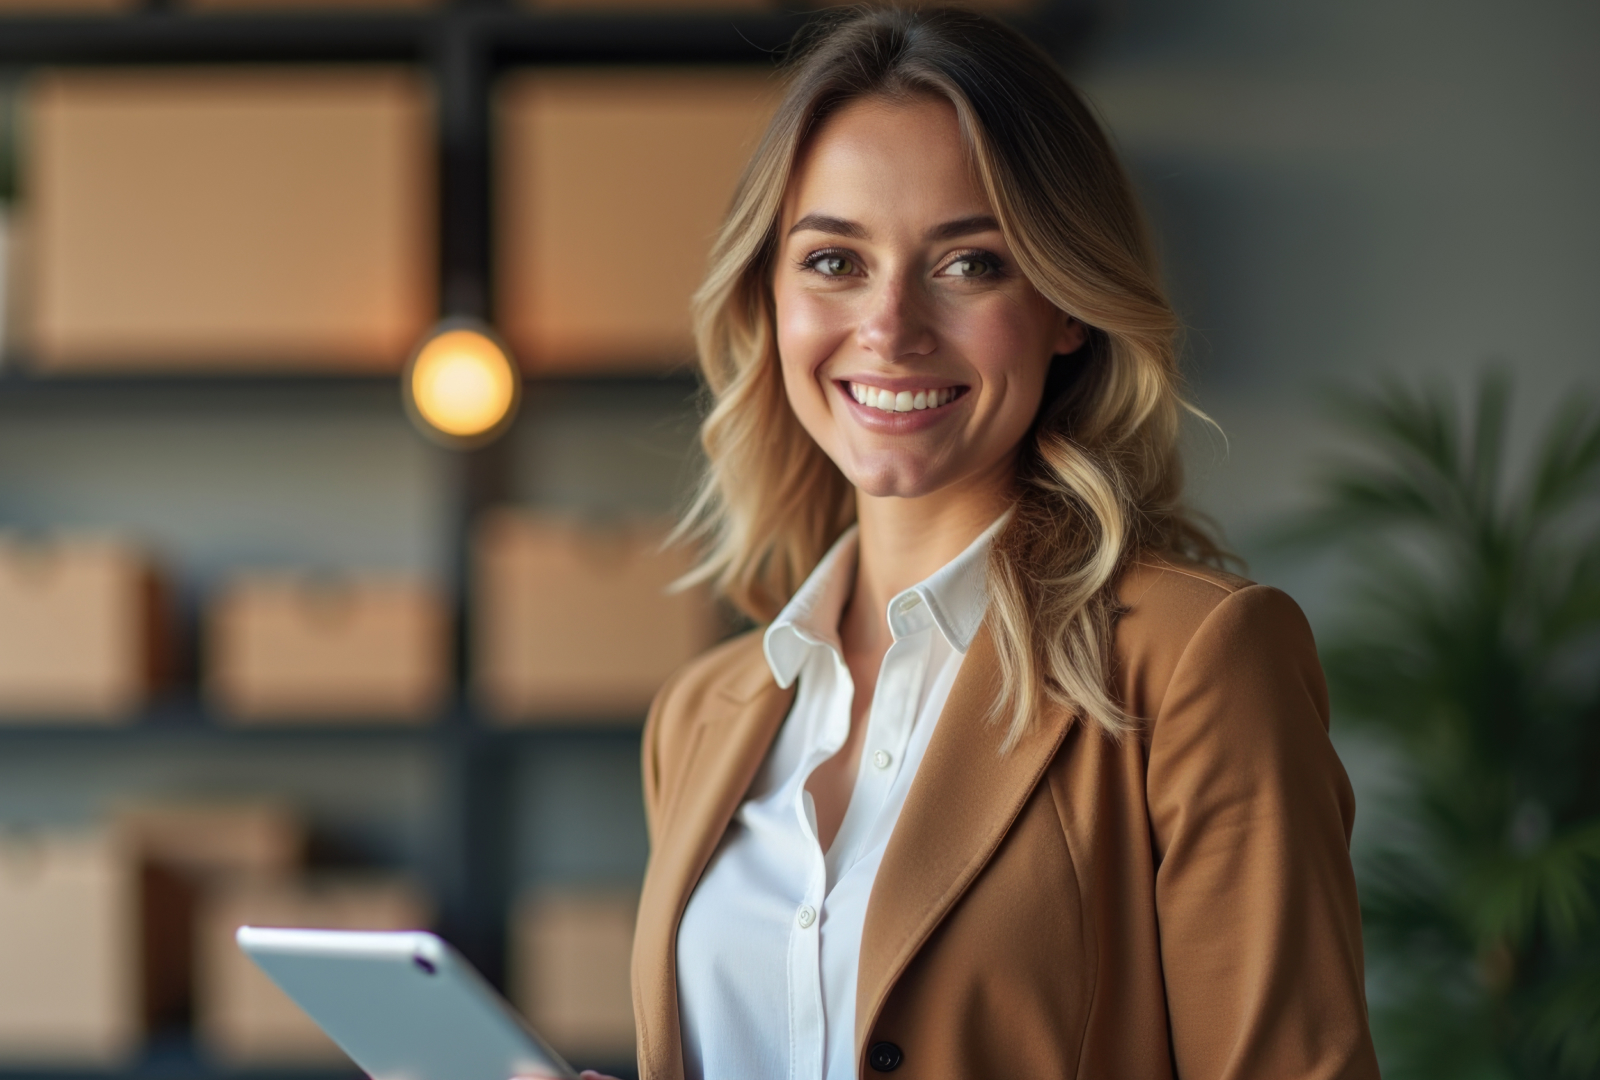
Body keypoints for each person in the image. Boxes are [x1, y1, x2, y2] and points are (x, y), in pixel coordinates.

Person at [556, 7, 1379, 1080]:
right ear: (771, 295)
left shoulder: (1197, 661)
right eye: (834, 261)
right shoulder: (703, 716)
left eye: (971, 265)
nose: (890, 327)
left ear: (1066, 305)